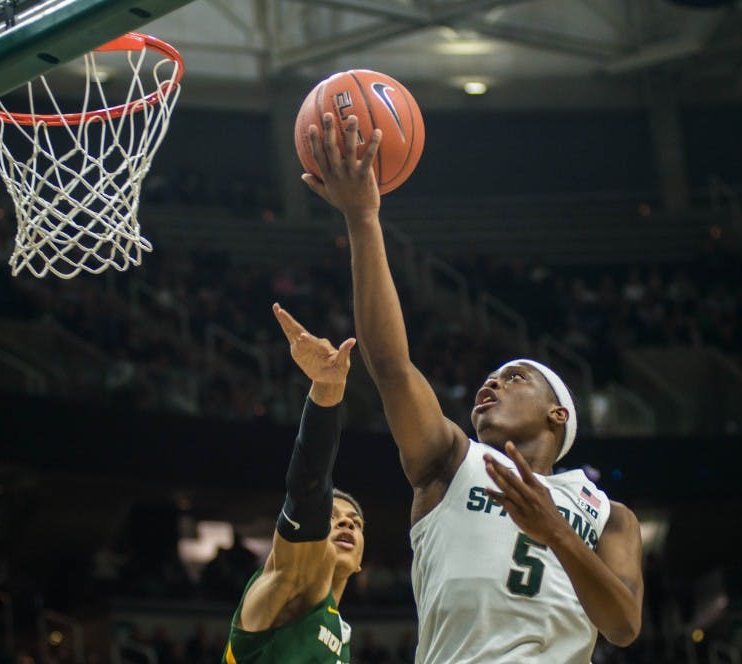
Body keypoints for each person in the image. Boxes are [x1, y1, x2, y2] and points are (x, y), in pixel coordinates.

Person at [301, 112, 644, 663]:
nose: (491, 385)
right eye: (489, 378)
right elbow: (390, 366)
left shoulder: (611, 515)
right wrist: (364, 220)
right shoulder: (451, 462)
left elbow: (624, 627)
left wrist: (553, 531)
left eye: (514, 378)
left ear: (558, 415)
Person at [222, 303, 365, 664]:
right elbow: (309, 488)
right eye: (334, 517)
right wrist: (327, 393)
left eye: (356, 522)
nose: (347, 522)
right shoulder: (290, 586)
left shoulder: (338, 631)